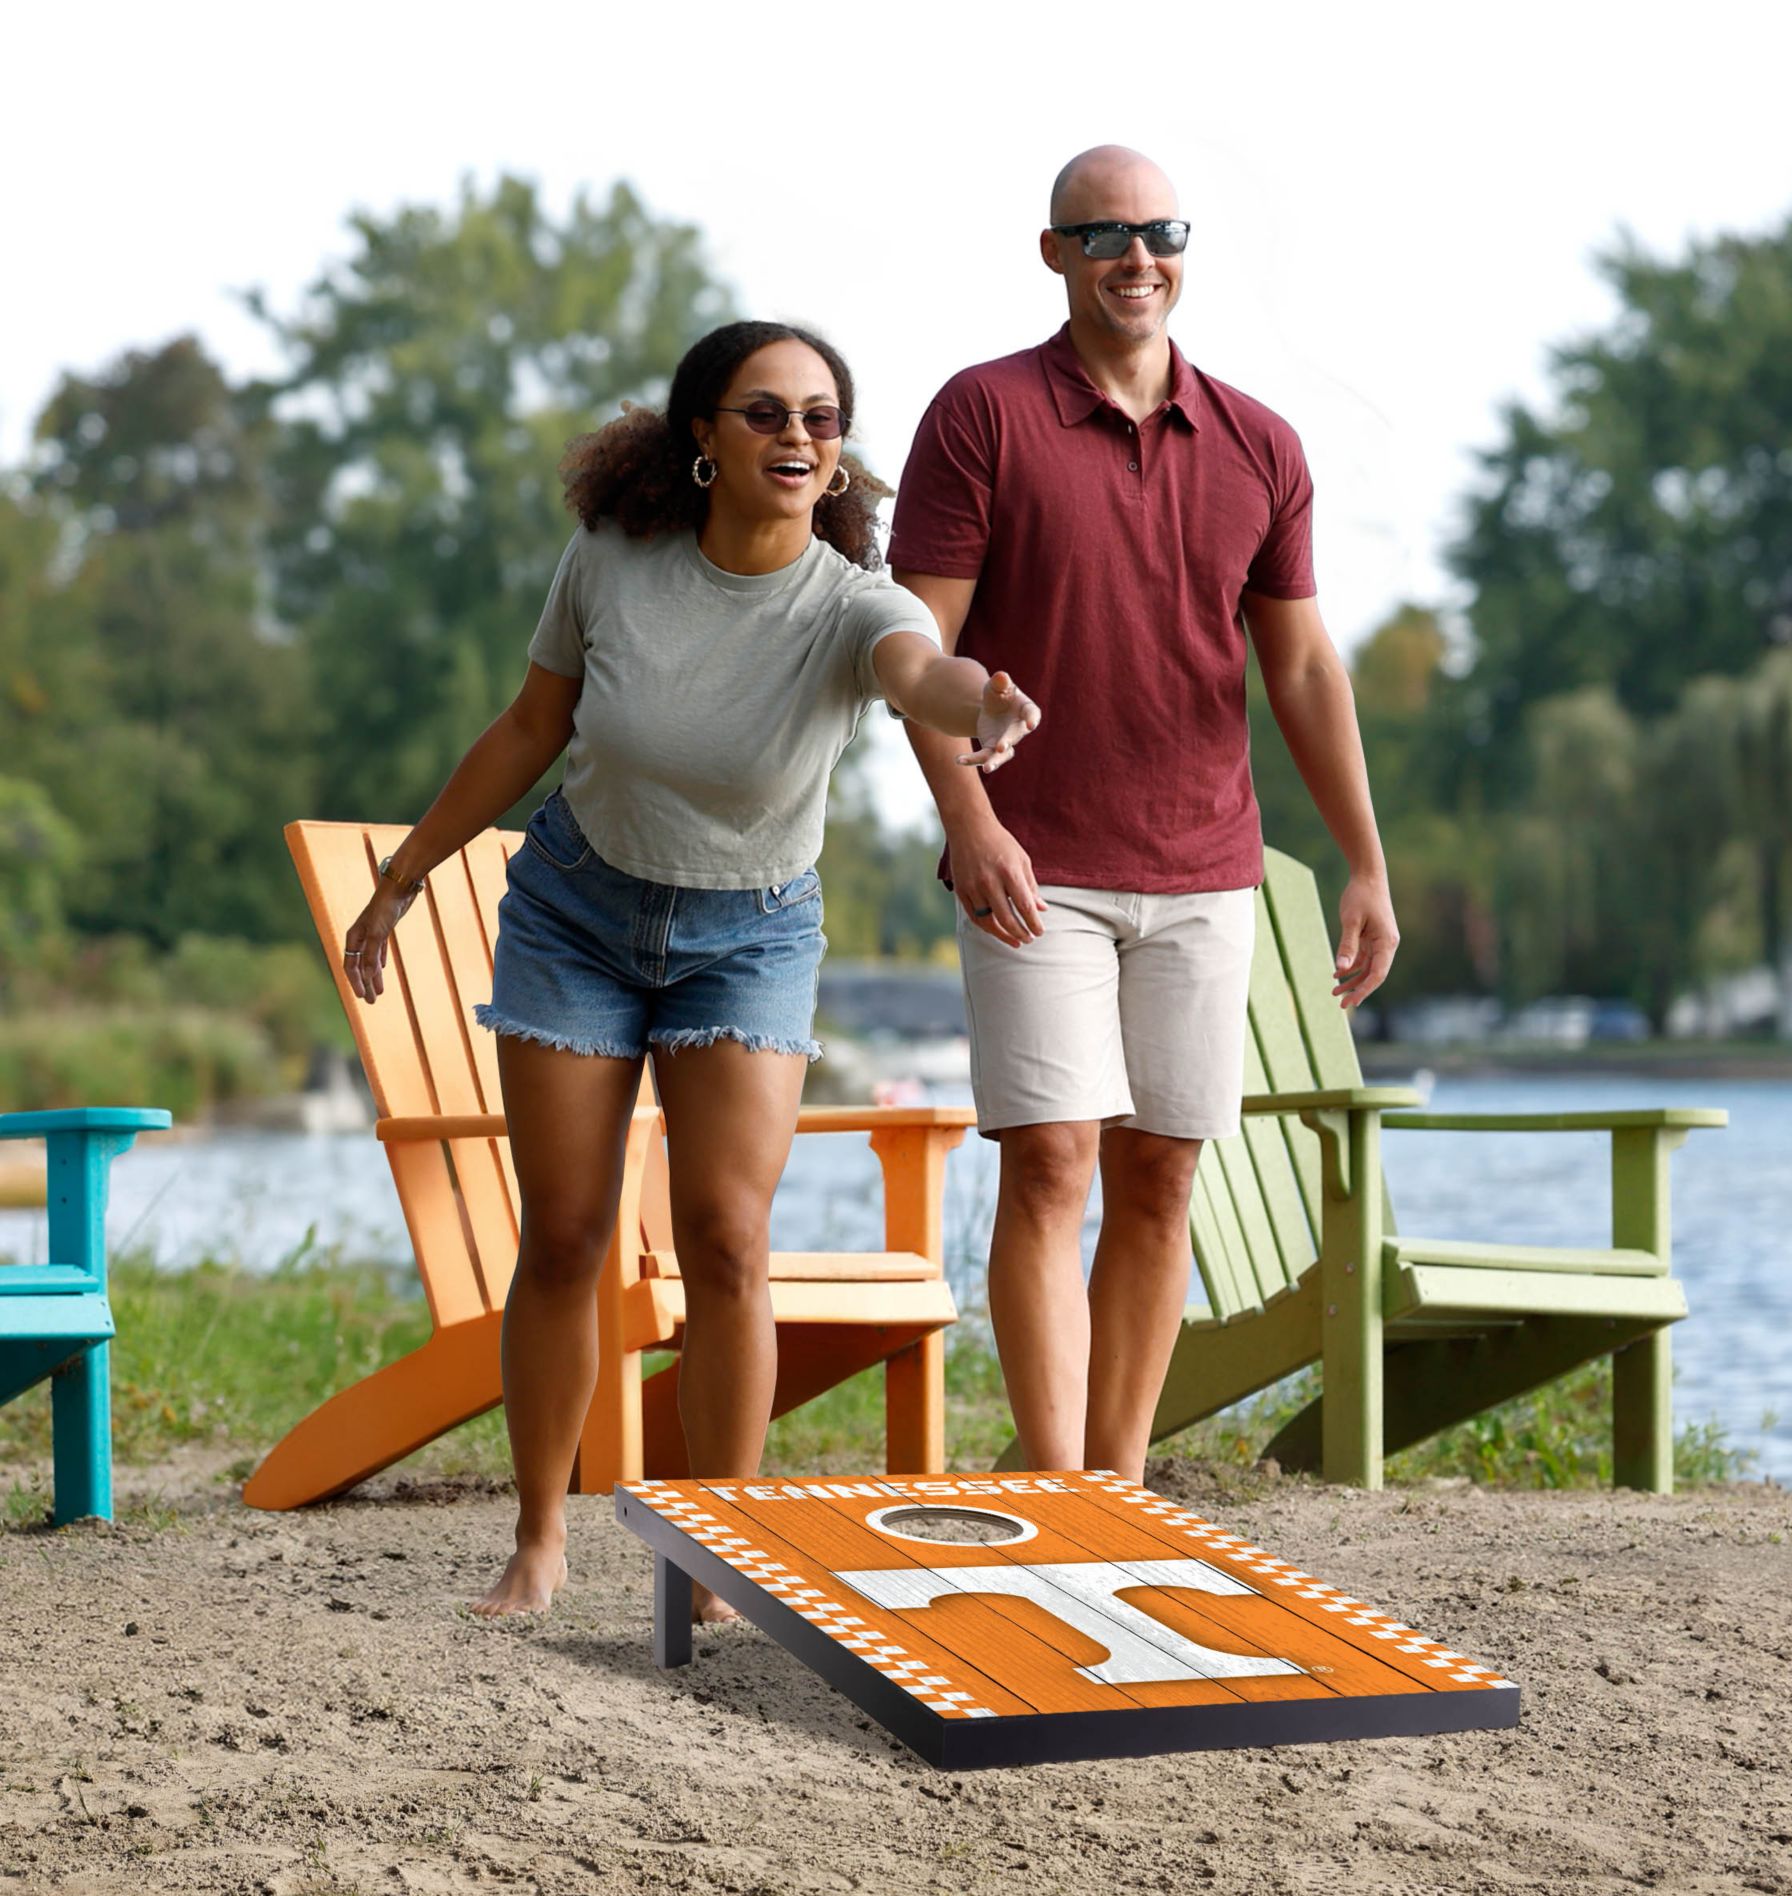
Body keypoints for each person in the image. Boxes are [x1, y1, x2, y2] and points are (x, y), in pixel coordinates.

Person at [341, 320, 1040, 1618]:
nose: (796, 436)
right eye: (765, 412)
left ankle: (720, 1554)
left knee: (727, 1240)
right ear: (704, 437)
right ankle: (539, 1539)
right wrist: (407, 873)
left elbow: (920, 675)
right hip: (576, 915)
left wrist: (982, 706)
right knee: (566, 1234)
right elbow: (531, 727)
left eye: (820, 417)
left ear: (839, 455)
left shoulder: (854, 603)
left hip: (751, 935)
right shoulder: (613, 560)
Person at [887, 146, 1397, 1483]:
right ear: (1053, 253)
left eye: (1160, 232)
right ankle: (1059, 1485)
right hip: (1034, 864)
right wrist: (969, 822)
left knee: (1162, 1176)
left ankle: (1113, 1479)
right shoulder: (982, 415)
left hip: (1205, 867)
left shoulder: (1259, 444)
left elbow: (1303, 668)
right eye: (1104, 234)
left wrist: (1364, 861)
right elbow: (911, 649)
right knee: (1053, 1162)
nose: (1137, 257)